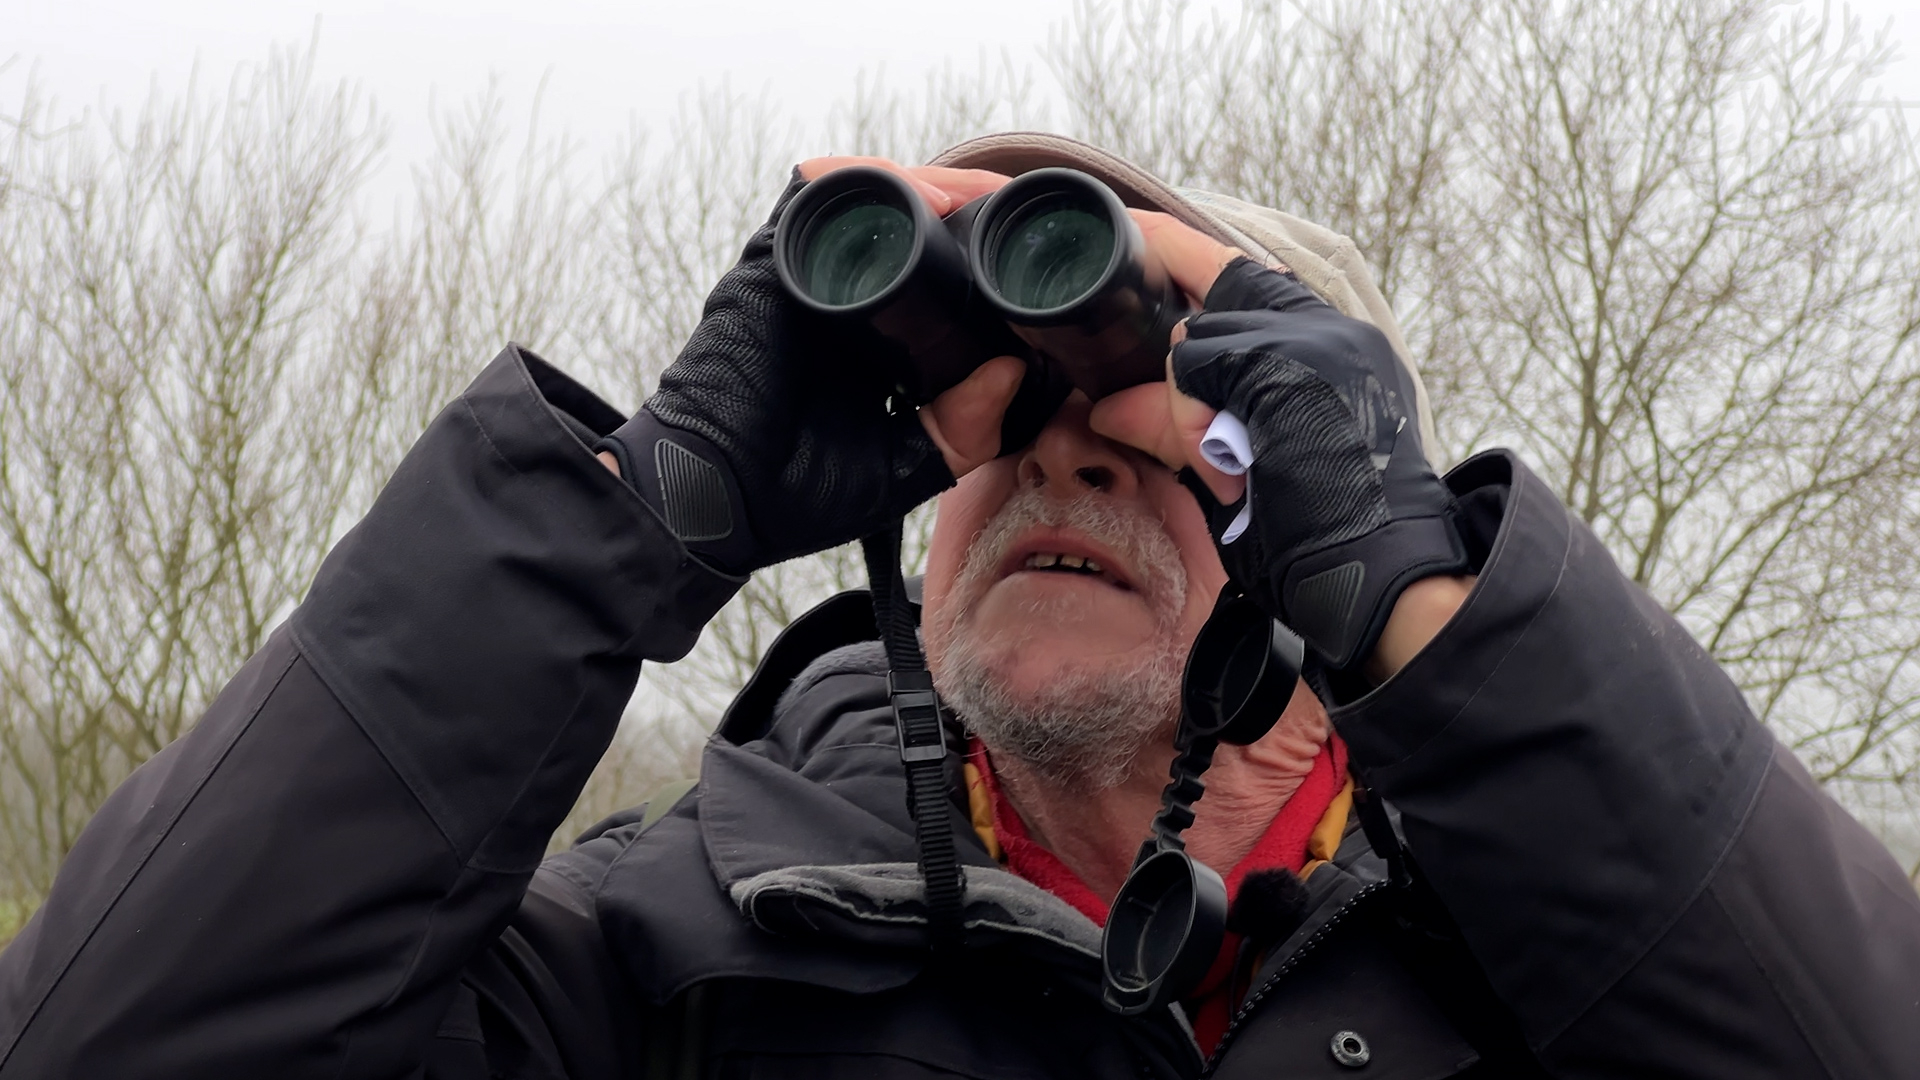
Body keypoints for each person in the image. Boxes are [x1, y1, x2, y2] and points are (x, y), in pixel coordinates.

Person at [0, 132, 1915, 1080]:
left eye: (1164, 411)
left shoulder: (1556, 958)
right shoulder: (661, 965)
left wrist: (1432, 602)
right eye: (995, 415)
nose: (1066, 459)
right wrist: (629, 522)